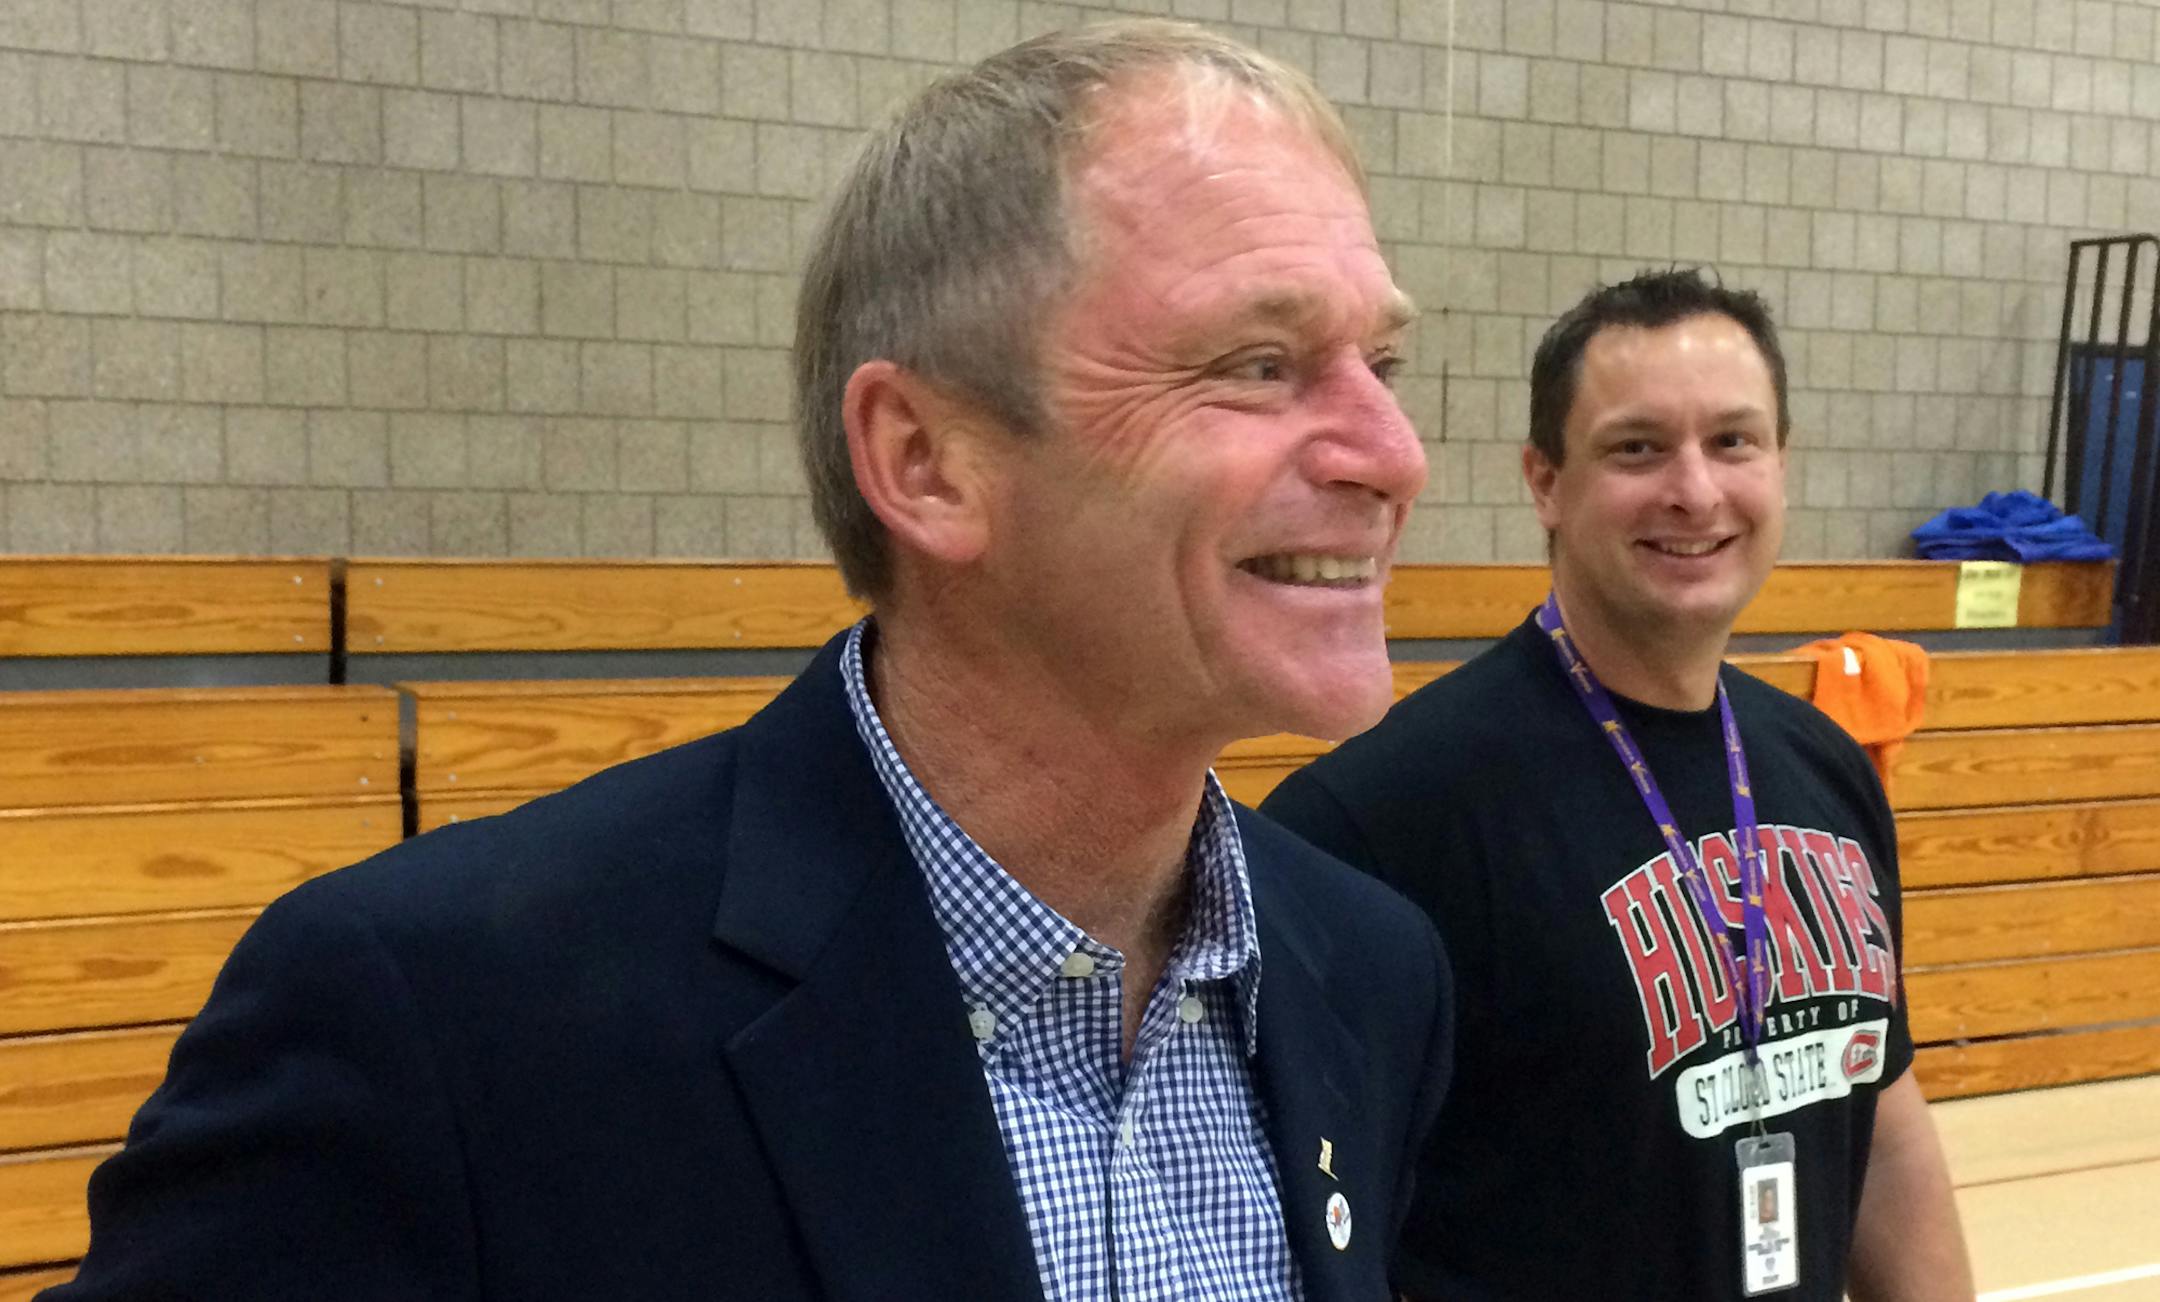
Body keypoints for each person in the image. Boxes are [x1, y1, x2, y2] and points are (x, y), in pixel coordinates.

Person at [47, 20, 1448, 1302]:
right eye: (1259, 363)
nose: (1391, 453)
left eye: (1380, 362)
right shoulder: (443, 1015)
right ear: (926, 460)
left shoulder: (1367, 972)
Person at [1262, 268, 1973, 1301]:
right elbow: (1306, 1227)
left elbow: (1885, 1117)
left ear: (1781, 463)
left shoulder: (1825, 766)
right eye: (1638, 448)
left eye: (1733, 441)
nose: (1694, 490)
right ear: (1545, 480)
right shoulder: (1377, 819)